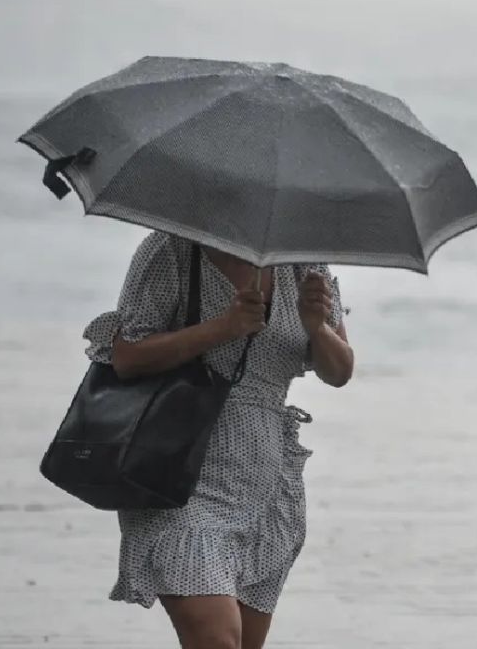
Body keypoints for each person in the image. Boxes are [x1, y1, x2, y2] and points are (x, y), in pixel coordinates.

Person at [83, 231, 355, 649]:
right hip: (178, 474)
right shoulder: (173, 249)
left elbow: (339, 371)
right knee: (218, 641)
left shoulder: (306, 266)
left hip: (267, 485)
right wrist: (223, 328)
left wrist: (317, 329)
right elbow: (127, 356)